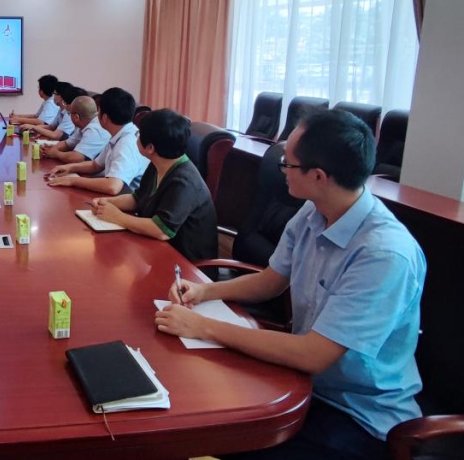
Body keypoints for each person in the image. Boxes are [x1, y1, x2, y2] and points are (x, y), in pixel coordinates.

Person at [155, 109, 426, 459]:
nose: (281, 169)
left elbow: (313, 355)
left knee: (218, 438)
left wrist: (202, 326)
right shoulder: (314, 212)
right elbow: (271, 281)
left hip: (357, 417)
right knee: (193, 402)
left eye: (288, 163)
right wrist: (205, 290)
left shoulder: (383, 254)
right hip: (300, 384)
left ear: (318, 176)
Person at [88, 109, 217, 260]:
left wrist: (117, 216)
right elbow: (138, 198)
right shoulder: (159, 163)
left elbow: (161, 230)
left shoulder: (184, 182)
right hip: (157, 249)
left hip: (186, 263)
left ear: (150, 148)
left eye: (139, 134)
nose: (136, 137)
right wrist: (107, 202)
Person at [45, 87, 148, 195]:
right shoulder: (120, 134)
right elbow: (95, 165)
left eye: (98, 111)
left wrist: (73, 181)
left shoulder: (126, 143)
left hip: (127, 202)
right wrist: (69, 168)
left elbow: (112, 186)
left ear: (104, 117)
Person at [43, 95, 110, 163]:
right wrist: (51, 150)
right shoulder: (84, 124)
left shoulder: (94, 130)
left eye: (69, 113)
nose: (69, 115)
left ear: (76, 117)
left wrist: (56, 154)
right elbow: (68, 143)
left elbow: (76, 158)